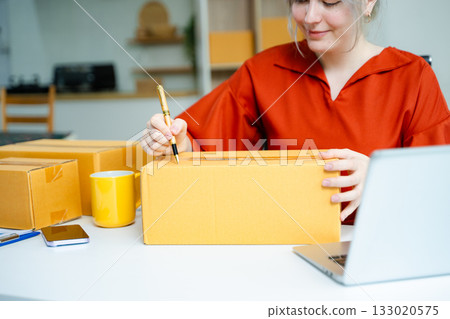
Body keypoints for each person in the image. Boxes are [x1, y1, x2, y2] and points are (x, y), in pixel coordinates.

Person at [141, 0, 450, 224]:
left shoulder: (413, 76)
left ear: (368, 3)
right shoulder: (262, 72)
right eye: (301, 0)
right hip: (284, 247)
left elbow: (437, 186)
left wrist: (383, 178)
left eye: (330, 1)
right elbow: (204, 146)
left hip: (381, 245)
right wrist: (177, 143)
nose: (311, 16)